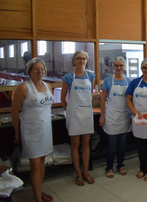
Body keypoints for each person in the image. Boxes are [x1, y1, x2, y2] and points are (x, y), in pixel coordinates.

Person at [11, 58, 54, 202]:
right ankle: (37, 199)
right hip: (31, 131)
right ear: (29, 71)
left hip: (46, 129)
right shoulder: (24, 87)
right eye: (36, 69)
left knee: (42, 162)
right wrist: (17, 132)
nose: (40, 71)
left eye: (42, 68)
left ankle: (39, 191)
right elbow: (14, 111)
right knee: (35, 165)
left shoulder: (48, 86)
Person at [61, 50, 95, 186]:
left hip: (86, 113)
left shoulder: (91, 76)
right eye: (79, 58)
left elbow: (91, 95)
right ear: (74, 61)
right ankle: (78, 173)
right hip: (74, 114)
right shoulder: (68, 77)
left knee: (86, 144)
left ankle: (85, 172)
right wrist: (68, 110)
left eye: (84, 58)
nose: (82, 61)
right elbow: (63, 97)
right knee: (75, 145)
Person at [99, 57, 132, 178]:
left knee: (122, 144)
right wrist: (102, 116)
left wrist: (132, 115)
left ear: (124, 67)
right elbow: (102, 100)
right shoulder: (108, 80)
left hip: (124, 116)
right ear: (113, 67)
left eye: (121, 65)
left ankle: (120, 165)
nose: (119, 68)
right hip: (111, 116)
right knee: (111, 145)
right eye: (116, 65)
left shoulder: (129, 81)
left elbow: (131, 99)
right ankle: (109, 167)